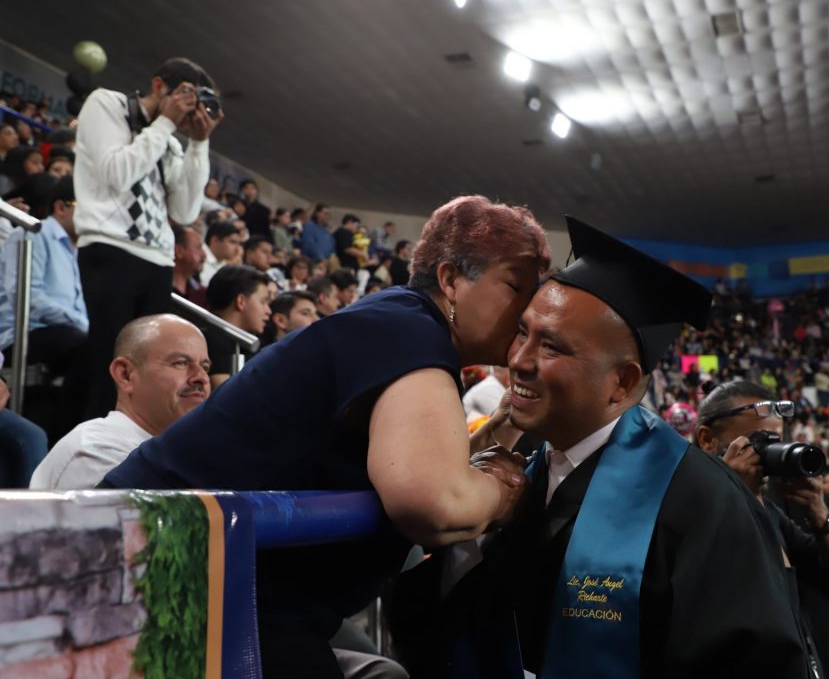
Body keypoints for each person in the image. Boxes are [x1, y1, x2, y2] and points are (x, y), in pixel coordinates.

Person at [101, 194, 550, 679]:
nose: (528, 310)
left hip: (204, 588)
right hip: (158, 587)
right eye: (515, 285)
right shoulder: (408, 330)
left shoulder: (399, 324)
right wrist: (505, 492)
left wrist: (493, 442)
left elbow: (408, 469)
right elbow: (433, 501)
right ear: (450, 280)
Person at [394, 217, 810, 678]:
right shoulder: (521, 478)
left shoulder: (702, 504)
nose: (518, 360)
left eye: (551, 347)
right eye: (523, 332)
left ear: (622, 382)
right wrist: (471, 538)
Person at [75, 57, 222, 418]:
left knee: (148, 375)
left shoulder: (168, 141)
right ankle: (92, 447)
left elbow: (185, 212)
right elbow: (116, 174)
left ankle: (137, 447)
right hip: (111, 248)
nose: (188, 108)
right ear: (158, 86)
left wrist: (199, 144)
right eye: (185, 95)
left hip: (157, 261)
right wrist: (166, 122)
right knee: (111, 369)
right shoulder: (107, 104)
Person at [693, 381, 829, 679]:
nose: (770, 454)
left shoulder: (770, 509)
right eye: (759, 442)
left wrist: (818, 511)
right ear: (707, 439)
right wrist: (733, 494)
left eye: (776, 442)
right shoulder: (685, 505)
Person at [30, 314, 210, 489]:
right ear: (125, 374)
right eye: (180, 363)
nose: (201, 377)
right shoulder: (98, 452)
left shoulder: (181, 453)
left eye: (205, 367)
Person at [0, 175, 89, 436]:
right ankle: (66, 433)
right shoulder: (32, 234)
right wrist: (82, 324)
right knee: (89, 346)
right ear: (61, 207)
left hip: (62, 335)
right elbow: (26, 297)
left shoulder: (77, 251)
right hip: (24, 333)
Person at [203, 265, 271, 389]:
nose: (268, 311)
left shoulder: (245, 343)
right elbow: (227, 396)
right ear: (241, 301)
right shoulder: (212, 340)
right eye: (263, 302)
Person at [171, 224, 206, 306]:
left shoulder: (201, 294)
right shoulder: (158, 288)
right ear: (179, 251)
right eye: (198, 247)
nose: (204, 254)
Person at [200, 221, 242, 285]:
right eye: (232, 242)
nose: (237, 249)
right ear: (215, 241)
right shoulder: (197, 259)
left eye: (239, 244)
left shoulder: (225, 265)